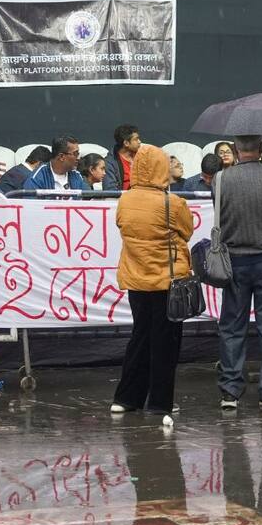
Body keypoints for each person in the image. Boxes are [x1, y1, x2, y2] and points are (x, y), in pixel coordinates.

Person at [109, 145, 192, 415]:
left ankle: (126, 398)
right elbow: (187, 230)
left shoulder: (125, 199)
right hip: (167, 281)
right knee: (165, 342)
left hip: (136, 279)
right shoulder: (173, 202)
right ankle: (159, 402)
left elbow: (122, 226)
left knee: (140, 337)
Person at [215, 135, 262, 411]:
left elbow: (219, 215)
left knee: (232, 325)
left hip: (234, 260)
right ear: (260, 150)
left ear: (236, 150)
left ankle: (230, 392)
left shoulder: (221, 180)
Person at [23, 135, 88, 191]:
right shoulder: (37, 178)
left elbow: (89, 200)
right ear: (61, 157)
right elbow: (32, 204)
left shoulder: (76, 175)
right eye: (75, 153)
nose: (78, 158)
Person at [103, 125, 141, 191]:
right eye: (136, 139)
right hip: (121, 199)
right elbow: (110, 190)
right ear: (126, 143)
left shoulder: (143, 157)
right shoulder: (110, 163)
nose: (139, 142)